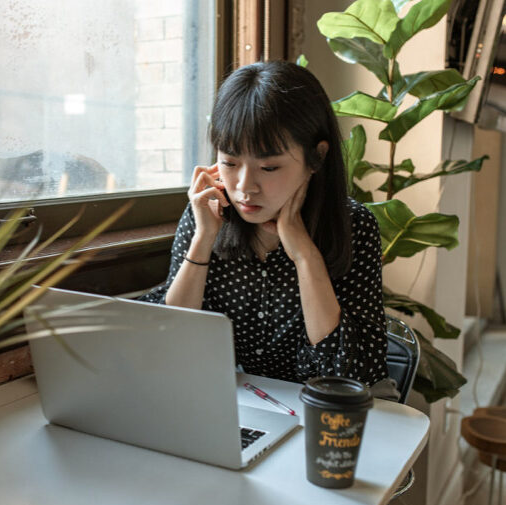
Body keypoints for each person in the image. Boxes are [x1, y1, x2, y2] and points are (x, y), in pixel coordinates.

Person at [141, 60, 388, 387]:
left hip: (322, 409)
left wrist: (304, 256)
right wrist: (203, 239)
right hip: (241, 406)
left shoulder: (353, 226)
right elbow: (167, 344)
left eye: (268, 168)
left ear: (317, 157)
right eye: (229, 162)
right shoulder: (208, 213)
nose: (244, 186)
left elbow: (345, 377)